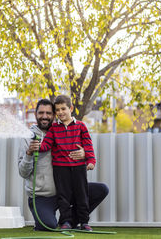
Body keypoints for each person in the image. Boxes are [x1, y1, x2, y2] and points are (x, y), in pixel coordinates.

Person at [18, 98, 109, 231]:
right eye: (41, 113)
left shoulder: (78, 126)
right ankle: (63, 220)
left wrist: (87, 157)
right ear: (35, 114)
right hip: (43, 196)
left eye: (49, 113)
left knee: (95, 191)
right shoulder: (31, 137)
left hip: (71, 181)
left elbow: (87, 144)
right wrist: (31, 151)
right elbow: (24, 172)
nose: (44, 116)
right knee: (48, 225)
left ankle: (77, 222)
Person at [39, 95, 96, 231]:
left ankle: (84, 222)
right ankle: (66, 222)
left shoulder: (81, 126)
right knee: (63, 196)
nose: (60, 112)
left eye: (63, 109)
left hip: (78, 168)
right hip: (60, 168)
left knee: (81, 194)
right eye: (57, 110)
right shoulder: (53, 129)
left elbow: (88, 145)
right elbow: (46, 145)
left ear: (71, 108)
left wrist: (91, 160)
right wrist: (38, 147)